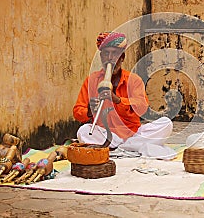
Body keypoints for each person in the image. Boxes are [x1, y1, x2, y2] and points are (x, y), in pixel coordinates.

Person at [73, 32, 176, 160]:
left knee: (166, 124)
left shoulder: (133, 80)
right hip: (107, 134)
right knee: (83, 131)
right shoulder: (91, 80)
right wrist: (89, 112)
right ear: (101, 57)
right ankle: (131, 148)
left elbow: (142, 107)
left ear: (122, 57)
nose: (110, 58)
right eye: (106, 53)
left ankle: (119, 148)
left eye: (115, 54)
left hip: (133, 133)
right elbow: (77, 111)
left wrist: (117, 100)